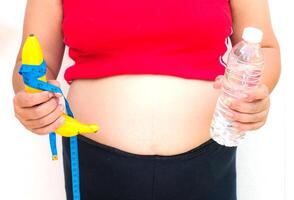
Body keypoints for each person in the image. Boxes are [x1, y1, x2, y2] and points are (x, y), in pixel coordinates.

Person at [12, 0, 281, 199]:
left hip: (208, 161)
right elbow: (34, 61)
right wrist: (33, 100)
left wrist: (255, 93)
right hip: (94, 164)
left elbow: (264, 46)